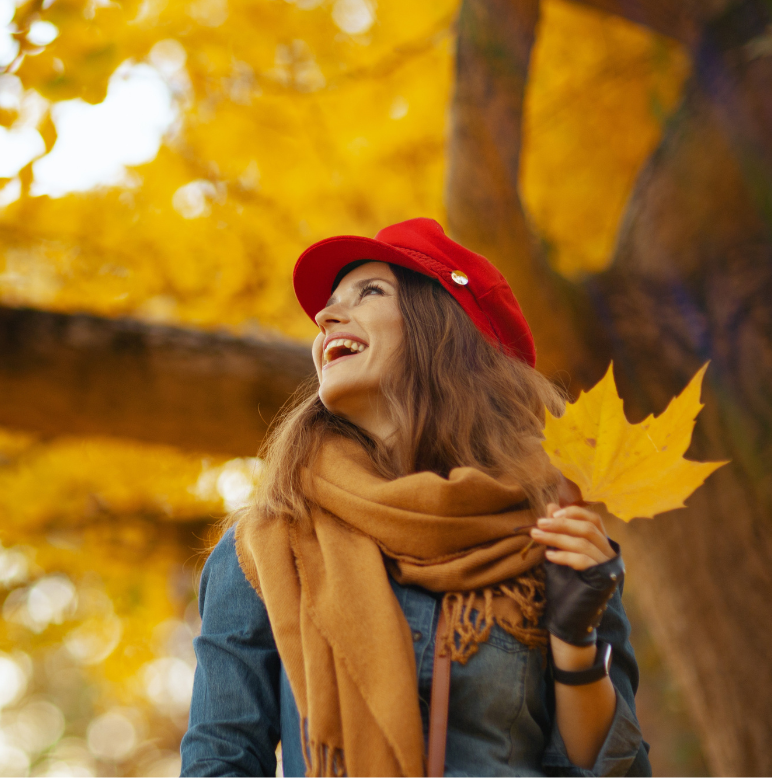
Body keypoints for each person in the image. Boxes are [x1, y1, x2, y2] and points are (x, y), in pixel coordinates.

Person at [179, 219, 648, 777]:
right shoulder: (265, 547)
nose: (326, 316)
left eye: (369, 292)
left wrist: (575, 646)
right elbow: (220, 762)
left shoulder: (558, 538)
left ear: (443, 329)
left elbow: (619, 772)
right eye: (327, 306)